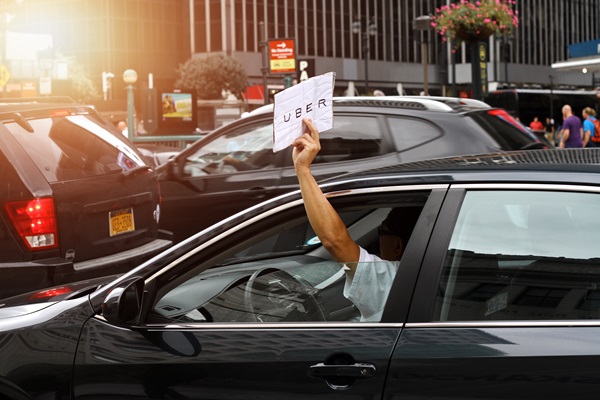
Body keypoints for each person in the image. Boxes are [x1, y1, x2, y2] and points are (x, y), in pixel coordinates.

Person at [292, 117, 419, 322]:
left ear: (398, 245)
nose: (378, 240)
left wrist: (303, 170)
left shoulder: (392, 281)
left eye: (382, 231)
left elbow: (335, 240)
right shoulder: (439, 277)